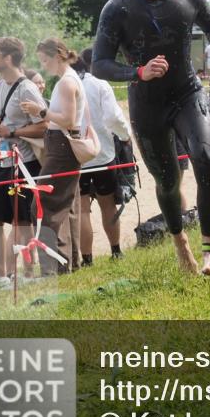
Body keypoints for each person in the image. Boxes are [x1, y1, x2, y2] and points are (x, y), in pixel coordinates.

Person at [92, 0, 210, 275]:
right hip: (147, 103)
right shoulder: (117, 8)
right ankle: (179, 241)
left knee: (205, 158)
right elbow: (99, 64)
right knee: (168, 180)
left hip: (187, 93)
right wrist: (138, 72)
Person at [0, 37, 47, 287]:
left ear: (8, 58)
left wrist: (13, 132)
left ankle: (28, 273)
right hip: (3, 162)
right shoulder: (0, 86)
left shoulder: (27, 89)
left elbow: (45, 126)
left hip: (25, 163)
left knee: (23, 220)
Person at [18, 38, 89, 275]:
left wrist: (40, 111)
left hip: (62, 147)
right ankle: (66, 264)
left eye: (45, 60)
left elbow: (68, 120)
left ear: (57, 56)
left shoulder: (67, 82)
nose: (43, 65)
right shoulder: (68, 80)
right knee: (63, 207)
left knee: (43, 205)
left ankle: (52, 268)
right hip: (61, 146)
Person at [73, 48, 132, 264]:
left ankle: (87, 259)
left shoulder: (67, 83)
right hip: (103, 154)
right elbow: (113, 117)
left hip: (78, 155)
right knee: (107, 205)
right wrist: (125, 136)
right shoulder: (100, 84)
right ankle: (116, 251)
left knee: (82, 210)